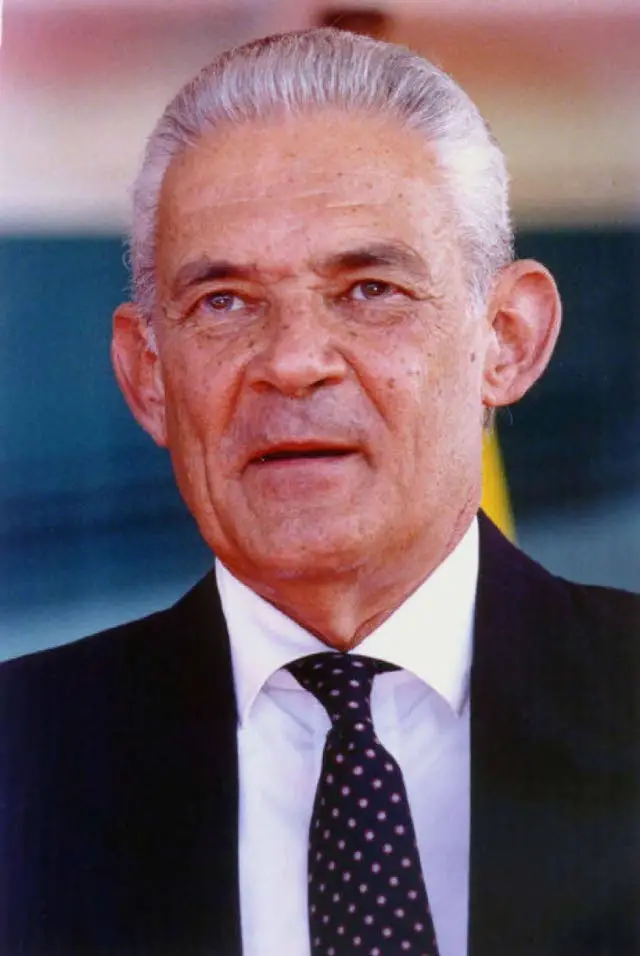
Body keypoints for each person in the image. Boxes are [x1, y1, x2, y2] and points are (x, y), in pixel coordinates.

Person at [0, 28, 637, 956]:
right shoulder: (20, 759)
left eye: (369, 289)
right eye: (224, 302)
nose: (294, 362)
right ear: (148, 377)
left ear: (506, 339)